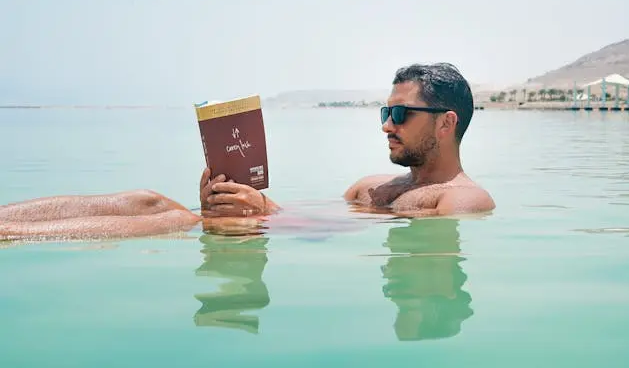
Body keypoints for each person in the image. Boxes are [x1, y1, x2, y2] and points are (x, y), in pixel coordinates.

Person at [0, 62, 494, 240]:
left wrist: (266, 214)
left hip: (277, 235)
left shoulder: (462, 201)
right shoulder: (369, 187)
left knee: (174, 221)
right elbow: (321, 223)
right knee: (148, 198)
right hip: (275, 229)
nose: (387, 125)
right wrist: (236, 195)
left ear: (447, 123)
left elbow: (337, 240)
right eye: (384, 114)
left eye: (401, 115)